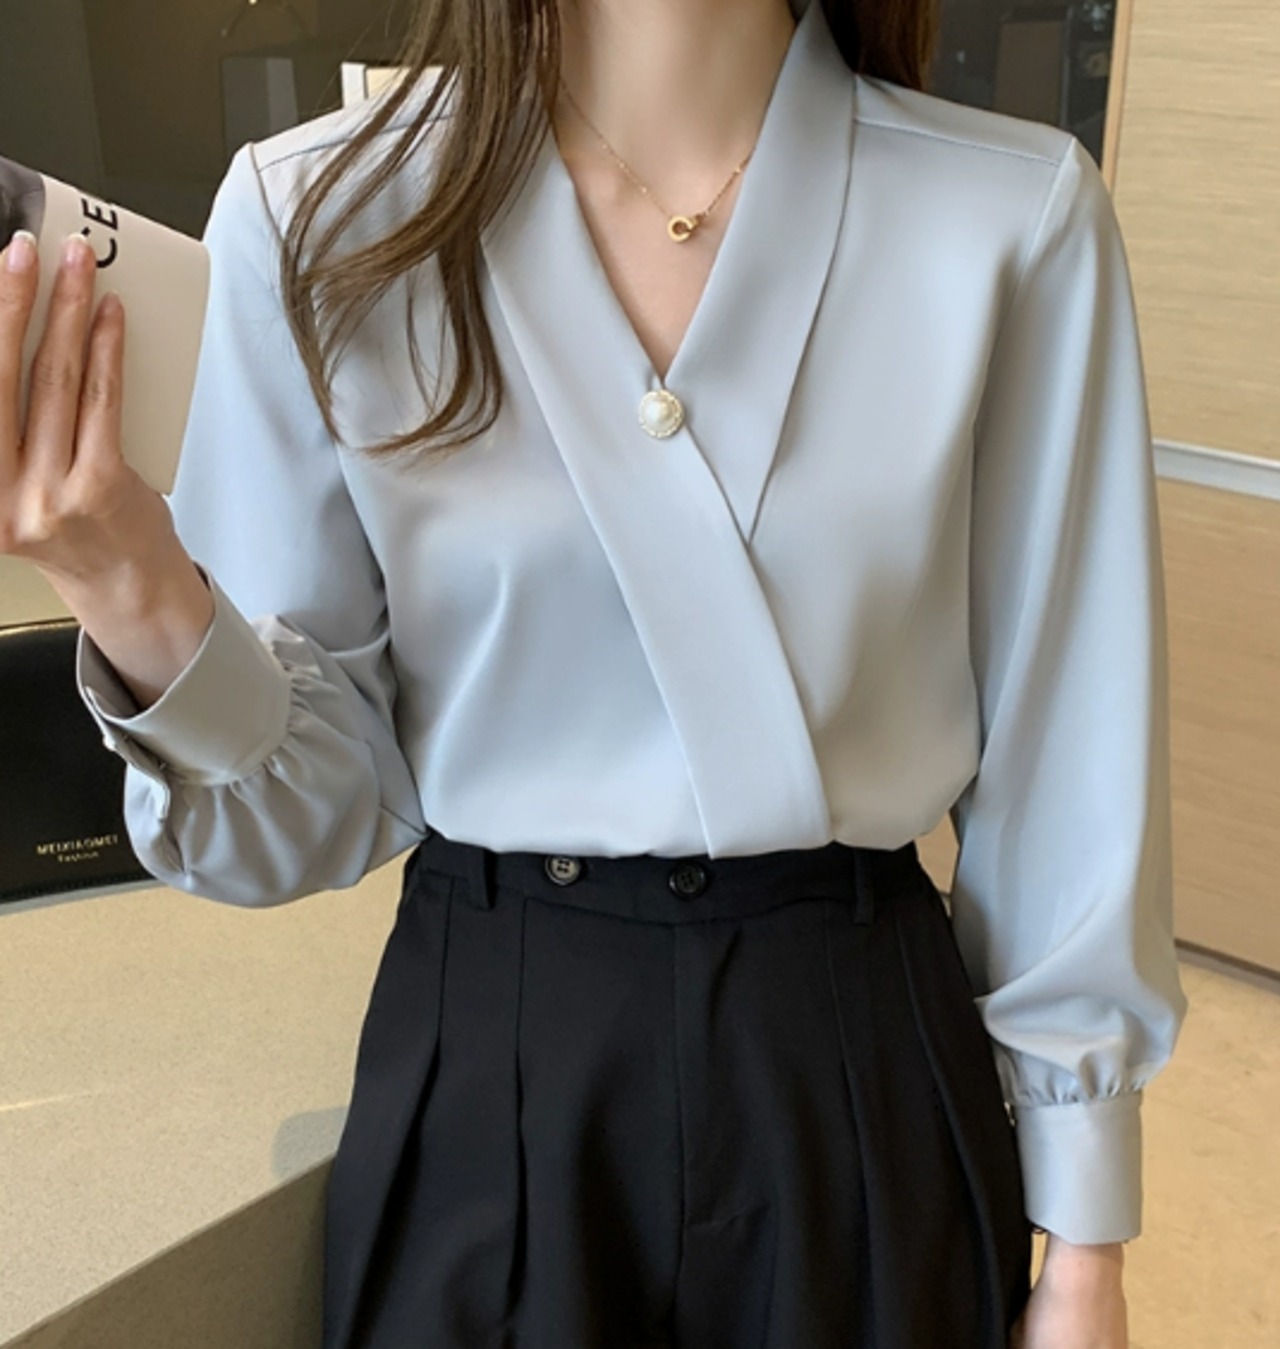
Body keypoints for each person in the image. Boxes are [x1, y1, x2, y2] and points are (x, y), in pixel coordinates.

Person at [0, 0, 1189, 1344]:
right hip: (490, 1073)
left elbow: (1067, 768)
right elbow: (316, 811)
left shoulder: (1011, 219)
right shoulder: (318, 218)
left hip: (857, 1067)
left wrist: (1086, 1252)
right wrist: (128, 580)